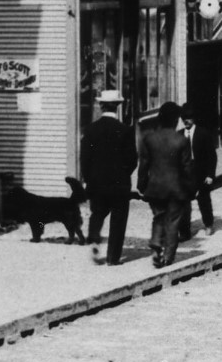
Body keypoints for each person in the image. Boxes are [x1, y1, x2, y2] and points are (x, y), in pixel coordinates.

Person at [80, 90, 137, 265]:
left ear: (101, 106)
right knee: (118, 220)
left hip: (96, 183)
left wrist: (88, 179)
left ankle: (95, 241)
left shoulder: (90, 130)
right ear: (118, 106)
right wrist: (123, 174)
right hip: (119, 184)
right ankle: (113, 257)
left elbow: (84, 158)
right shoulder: (125, 130)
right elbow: (132, 160)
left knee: (97, 214)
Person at [137, 101, 194, 269]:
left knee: (158, 217)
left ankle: (156, 243)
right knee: (173, 222)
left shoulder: (149, 138)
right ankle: (167, 257)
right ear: (176, 120)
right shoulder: (182, 141)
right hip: (176, 189)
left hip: (154, 188)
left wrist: (141, 185)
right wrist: (190, 188)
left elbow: (144, 164)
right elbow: (187, 167)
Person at [185, 101, 219, 239]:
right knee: (184, 203)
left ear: (194, 118)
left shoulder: (203, 134)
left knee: (204, 200)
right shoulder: (180, 134)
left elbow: (212, 156)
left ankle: (209, 224)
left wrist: (210, 174)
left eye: (189, 117)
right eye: (184, 118)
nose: (186, 121)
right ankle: (185, 230)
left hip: (200, 172)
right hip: (185, 173)